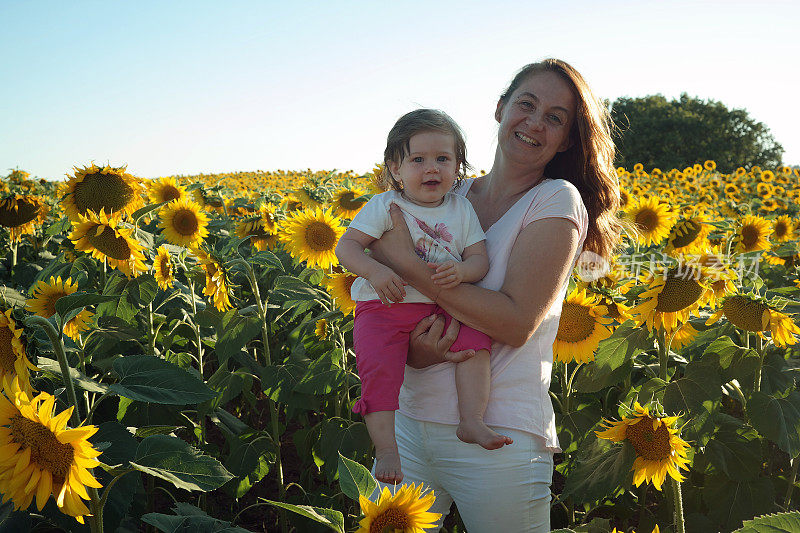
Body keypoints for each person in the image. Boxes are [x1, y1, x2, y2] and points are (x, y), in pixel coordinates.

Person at [367, 59, 621, 532]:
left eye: (555, 117)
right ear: (501, 108)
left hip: (498, 438)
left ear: (566, 139)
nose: (535, 122)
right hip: (407, 426)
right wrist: (418, 354)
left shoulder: (555, 200)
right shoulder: (446, 191)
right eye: (526, 105)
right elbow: (391, 307)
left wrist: (407, 263)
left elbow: (514, 323)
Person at [335, 109, 513, 485]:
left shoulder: (461, 209)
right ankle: (386, 449)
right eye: (418, 159)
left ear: (458, 167)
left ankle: (471, 419)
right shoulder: (385, 206)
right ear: (395, 170)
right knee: (378, 372)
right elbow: (347, 247)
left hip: (439, 305)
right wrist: (375, 270)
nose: (431, 168)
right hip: (384, 307)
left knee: (476, 343)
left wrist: (464, 271)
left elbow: (478, 258)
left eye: (443, 159)